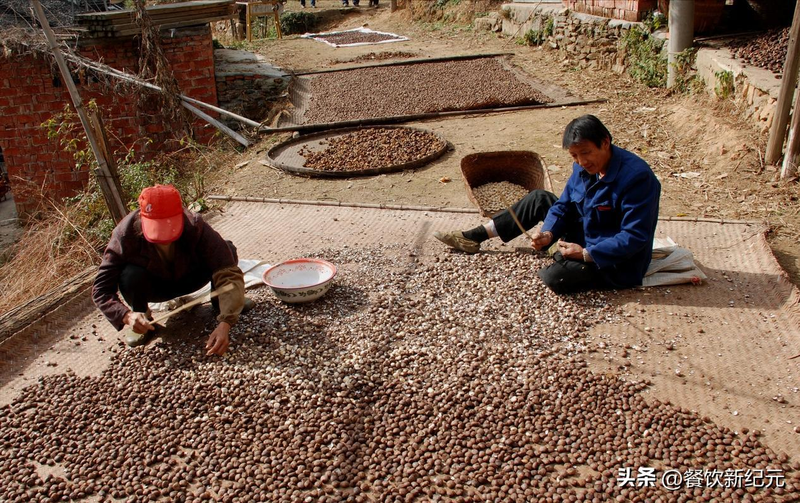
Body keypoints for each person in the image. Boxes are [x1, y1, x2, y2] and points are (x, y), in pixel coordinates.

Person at [434, 114, 661, 294]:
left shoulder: (636, 178)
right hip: (585, 232)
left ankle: (561, 253)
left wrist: (585, 253)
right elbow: (564, 205)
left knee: (555, 277)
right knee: (540, 198)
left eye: (586, 153)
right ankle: (473, 236)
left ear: (605, 143)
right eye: (574, 156)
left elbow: (634, 236)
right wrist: (549, 233)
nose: (581, 162)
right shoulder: (582, 168)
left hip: (614, 259)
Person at [92, 185, 253, 355]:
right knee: (130, 275)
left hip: (192, 278)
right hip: (155, 287)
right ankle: (142, 320)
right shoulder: (124, 236)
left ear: (181, 215)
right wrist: (126, 315)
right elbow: (101, 290)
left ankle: (222, 303)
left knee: (227, 249)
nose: (163, 240)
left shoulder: (195, 225)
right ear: (141, 217)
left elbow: (228, 272)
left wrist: (226, 321)